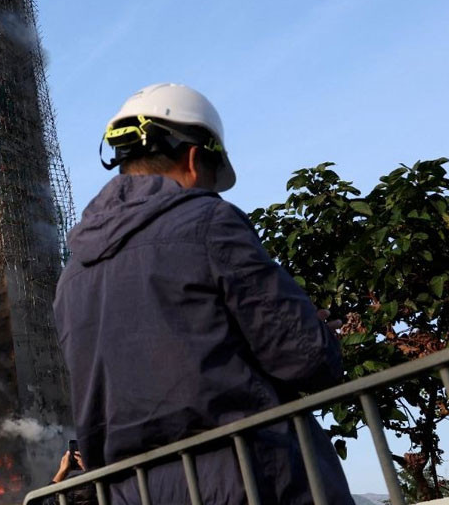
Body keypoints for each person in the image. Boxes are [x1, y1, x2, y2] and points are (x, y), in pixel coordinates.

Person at [53, 83, 352, 504]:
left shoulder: (72, 275)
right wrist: (317, 332)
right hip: (244, 479)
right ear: (195, 159)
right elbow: (306, 360)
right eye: (211, 179)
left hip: (128, 493)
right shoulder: (208, 222)